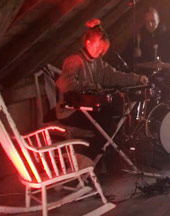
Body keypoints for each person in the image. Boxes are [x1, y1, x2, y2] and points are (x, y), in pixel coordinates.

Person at [56, 19, 149, 159]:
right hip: (71, 111)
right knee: (108, 124)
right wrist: (94, 87)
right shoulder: (74, 60)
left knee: (116, 115)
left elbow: (113, 76)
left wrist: (136, 79)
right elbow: (66, 84)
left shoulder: (98, 63)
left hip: (88, 108)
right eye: (99, 48)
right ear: (88, 43)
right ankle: (89, 158)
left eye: (103, 50)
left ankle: (104, 157)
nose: (101, 52)